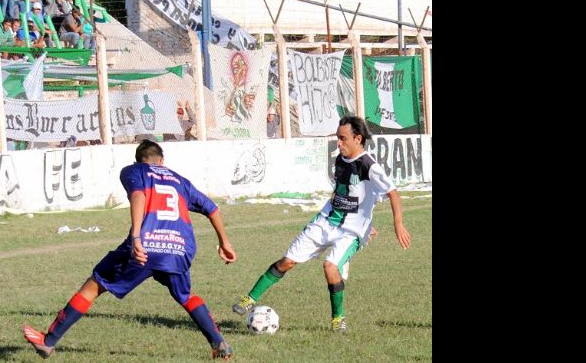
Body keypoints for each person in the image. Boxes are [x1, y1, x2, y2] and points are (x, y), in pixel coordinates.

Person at [22, 139, 237, 360]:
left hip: (144, 246)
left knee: (93, 286)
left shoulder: (133, 171)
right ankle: (218, 342)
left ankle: (48, 342)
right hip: (179, 248)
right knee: (185, 295)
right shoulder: (180, 181)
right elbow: (212, 208)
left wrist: (136, 236)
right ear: (161, 160)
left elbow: (138, 195)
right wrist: (225, 242)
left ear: (138, 160)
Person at [231, 116, 412, 333]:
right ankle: (249, 299)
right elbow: (345, 192)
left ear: (357, 138)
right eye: (338, 138)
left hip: (351, 232)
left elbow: (393, 192)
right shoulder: (339, 160)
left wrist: (397, 224)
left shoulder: (368, 166)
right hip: (326, 221)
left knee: (330, 266)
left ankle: (338, 319)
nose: (338, 143)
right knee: (287, 261)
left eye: (343, 139)